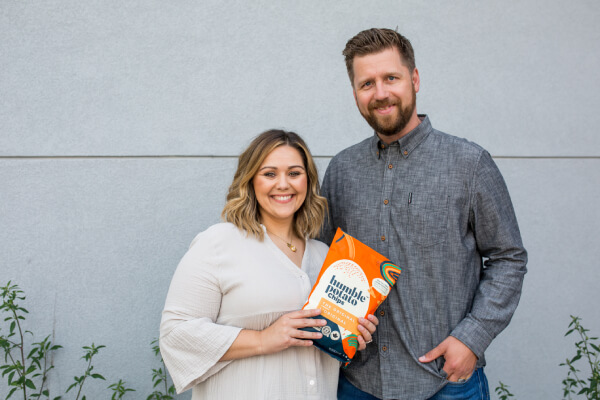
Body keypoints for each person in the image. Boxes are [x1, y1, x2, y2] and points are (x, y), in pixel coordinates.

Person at [320, 28, 528, 400]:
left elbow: (508, 258)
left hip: (445, 383)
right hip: (358, 384)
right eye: (367, 83)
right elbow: (319, 258)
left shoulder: (469, 164)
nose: (380, 93)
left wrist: (472, 337)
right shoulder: (341, 170)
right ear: (354, 93)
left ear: (414, 79)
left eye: (391, 78)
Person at [159, 129, 379, 400]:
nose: (283, 184)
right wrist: (263, 339)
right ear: (250, 181)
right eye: (270, 174)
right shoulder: (218, 244)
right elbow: (176, 333)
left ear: (308, 182)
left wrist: (351, 336)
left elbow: (326, 342)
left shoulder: (326, 257)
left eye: (295, 173)